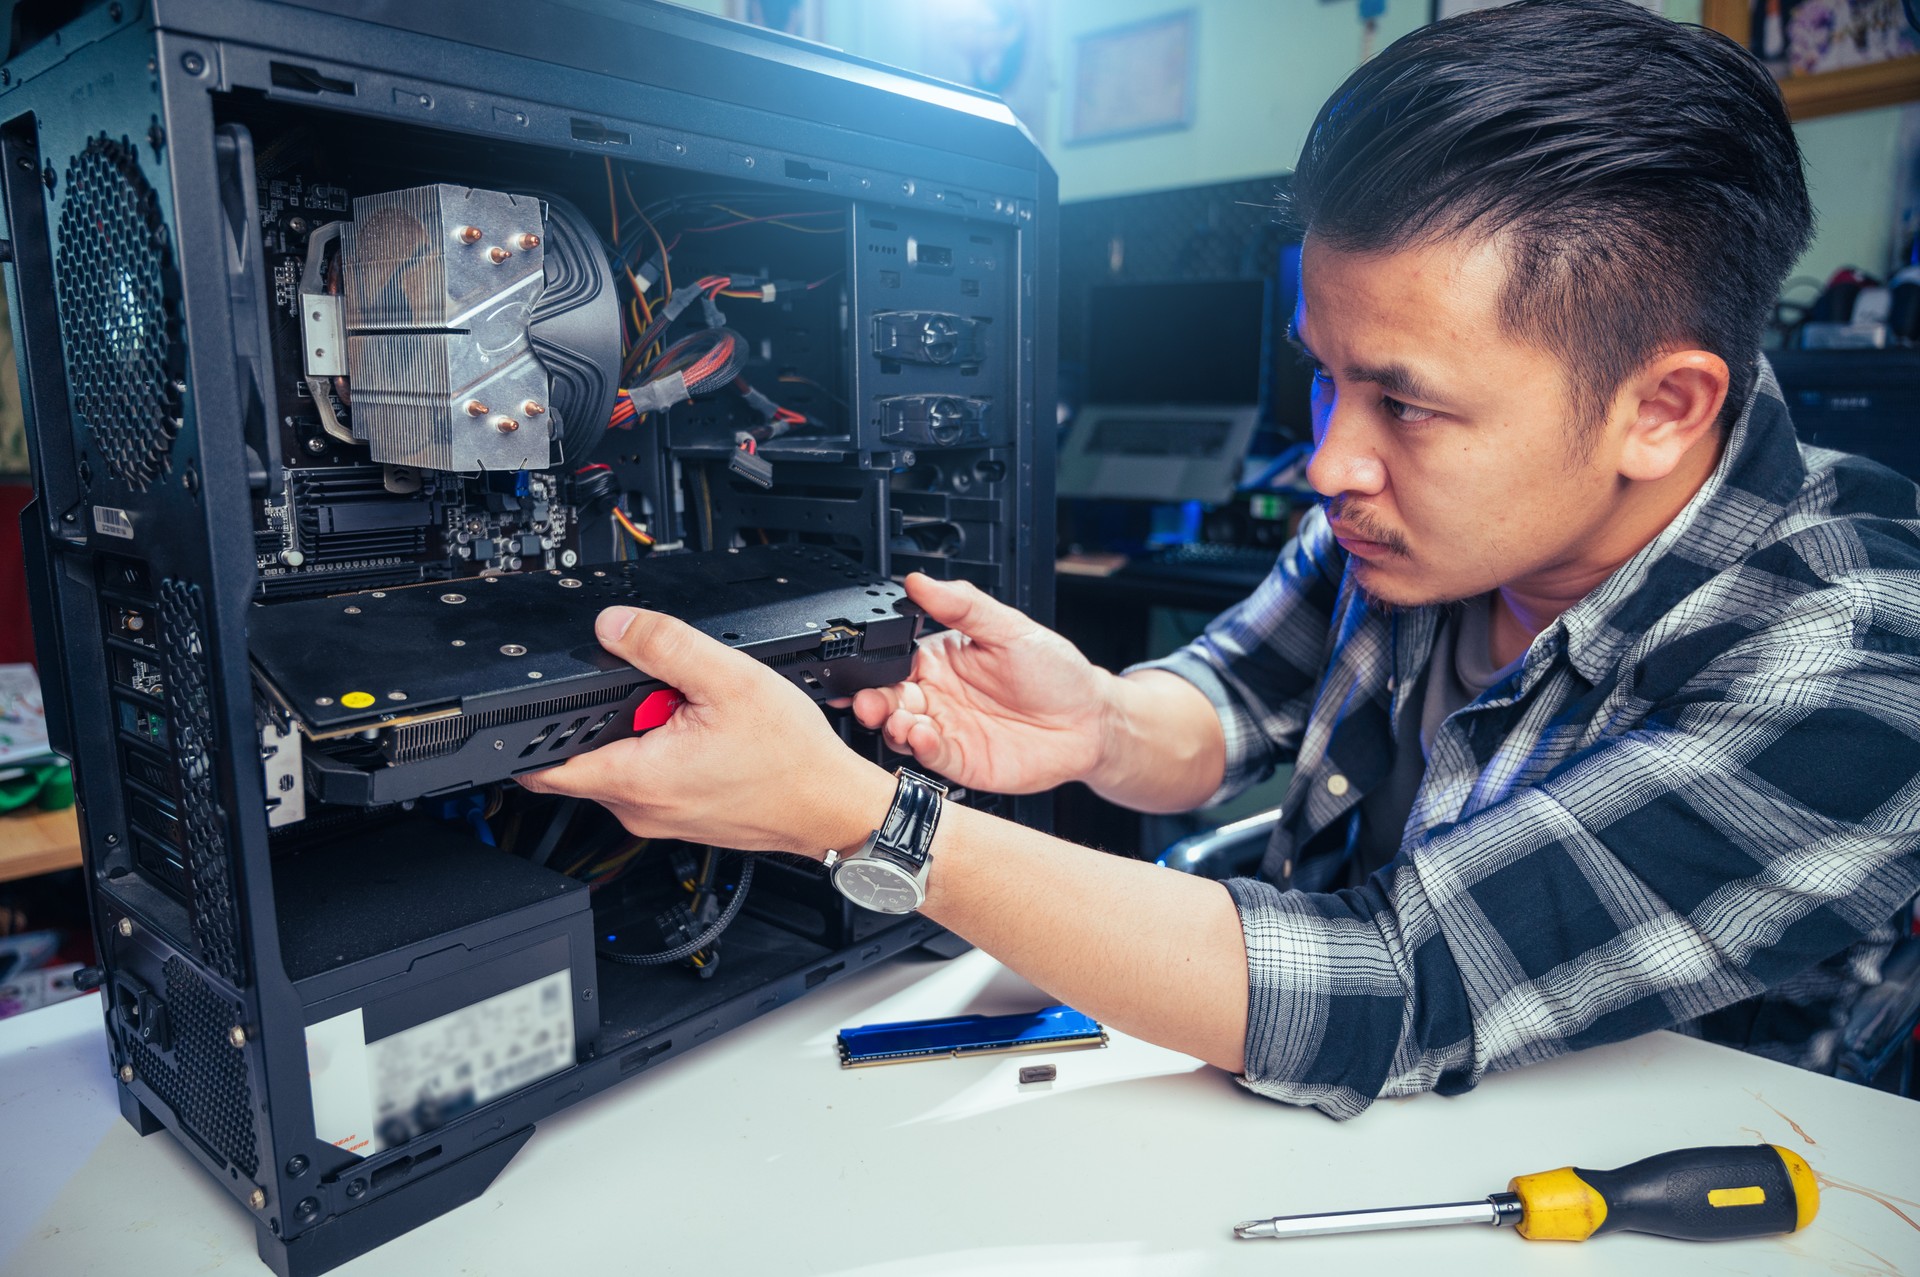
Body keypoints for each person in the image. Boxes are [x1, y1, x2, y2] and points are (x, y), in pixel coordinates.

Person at [523, 0, 1920, 1117]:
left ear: (1660, 408)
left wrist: (856, 816)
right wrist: (1095, 719)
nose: (1328, 464)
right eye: (1324, 378)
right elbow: (1226, 708)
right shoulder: (1409, 522)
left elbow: (1385, 981)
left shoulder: (1854, 663)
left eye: (1405, 401)